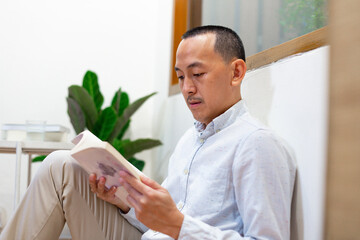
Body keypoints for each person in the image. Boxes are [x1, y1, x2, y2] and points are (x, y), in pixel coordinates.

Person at [0, 25, 296, 240]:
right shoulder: (191, 140)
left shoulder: (257, 144)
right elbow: (157, 221)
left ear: (236, 72)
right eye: (181, 77)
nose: (187, 88)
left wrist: (177, 225)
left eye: (198, 74)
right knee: (61, 165)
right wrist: (124, 203)